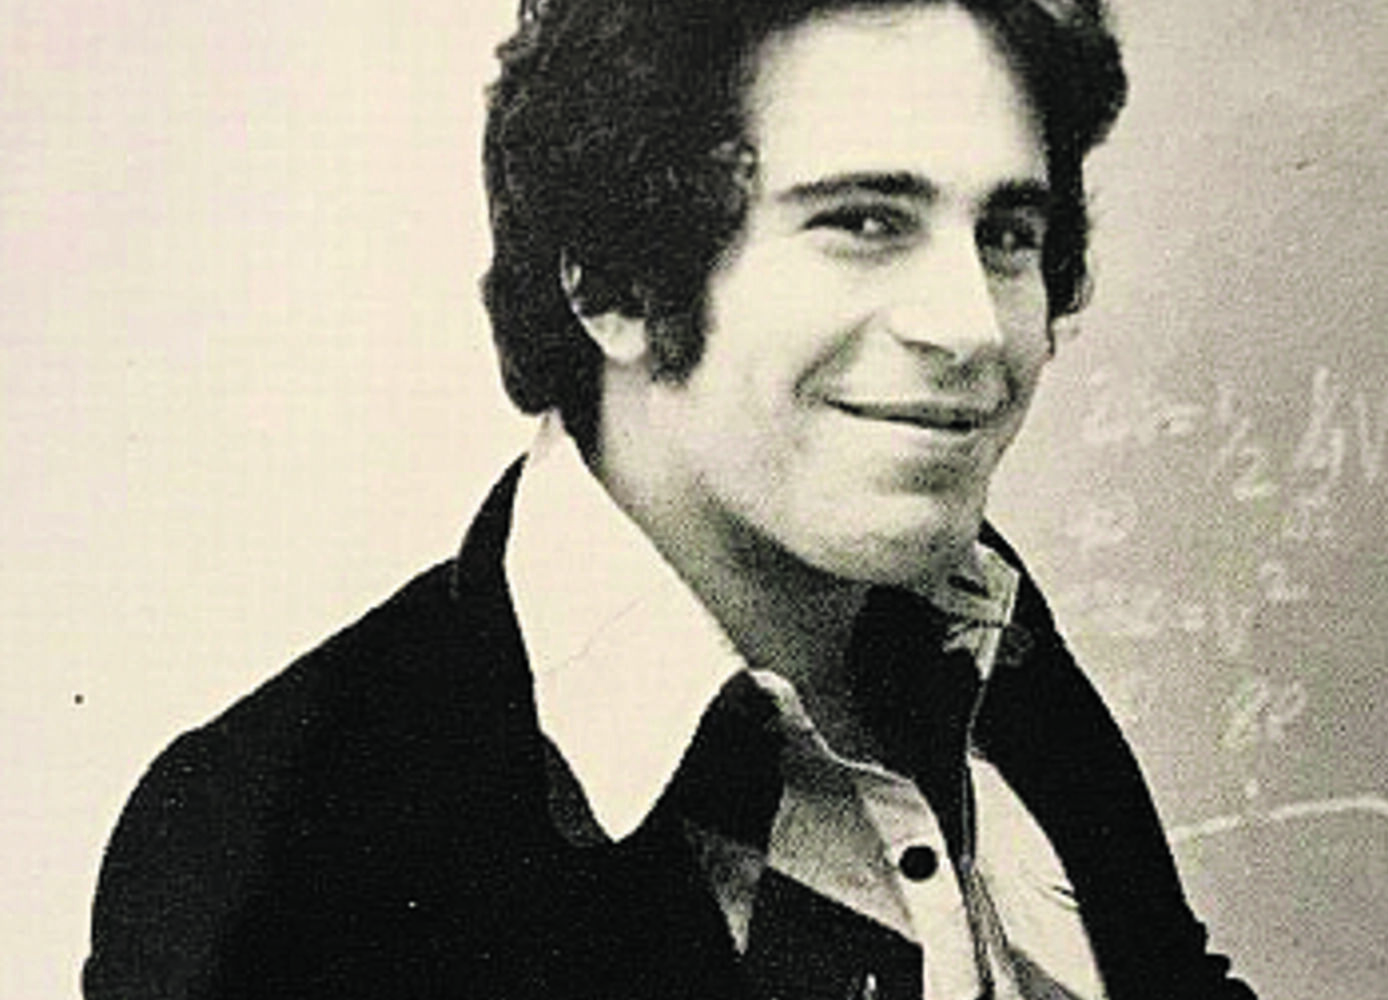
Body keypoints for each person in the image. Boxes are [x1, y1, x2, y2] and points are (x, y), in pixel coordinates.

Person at [85, 0, 1257, 997]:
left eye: (1007, 233)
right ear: (614, 283)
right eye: (863, 221)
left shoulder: (973, 618)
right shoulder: (279, 841)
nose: (977, 327)